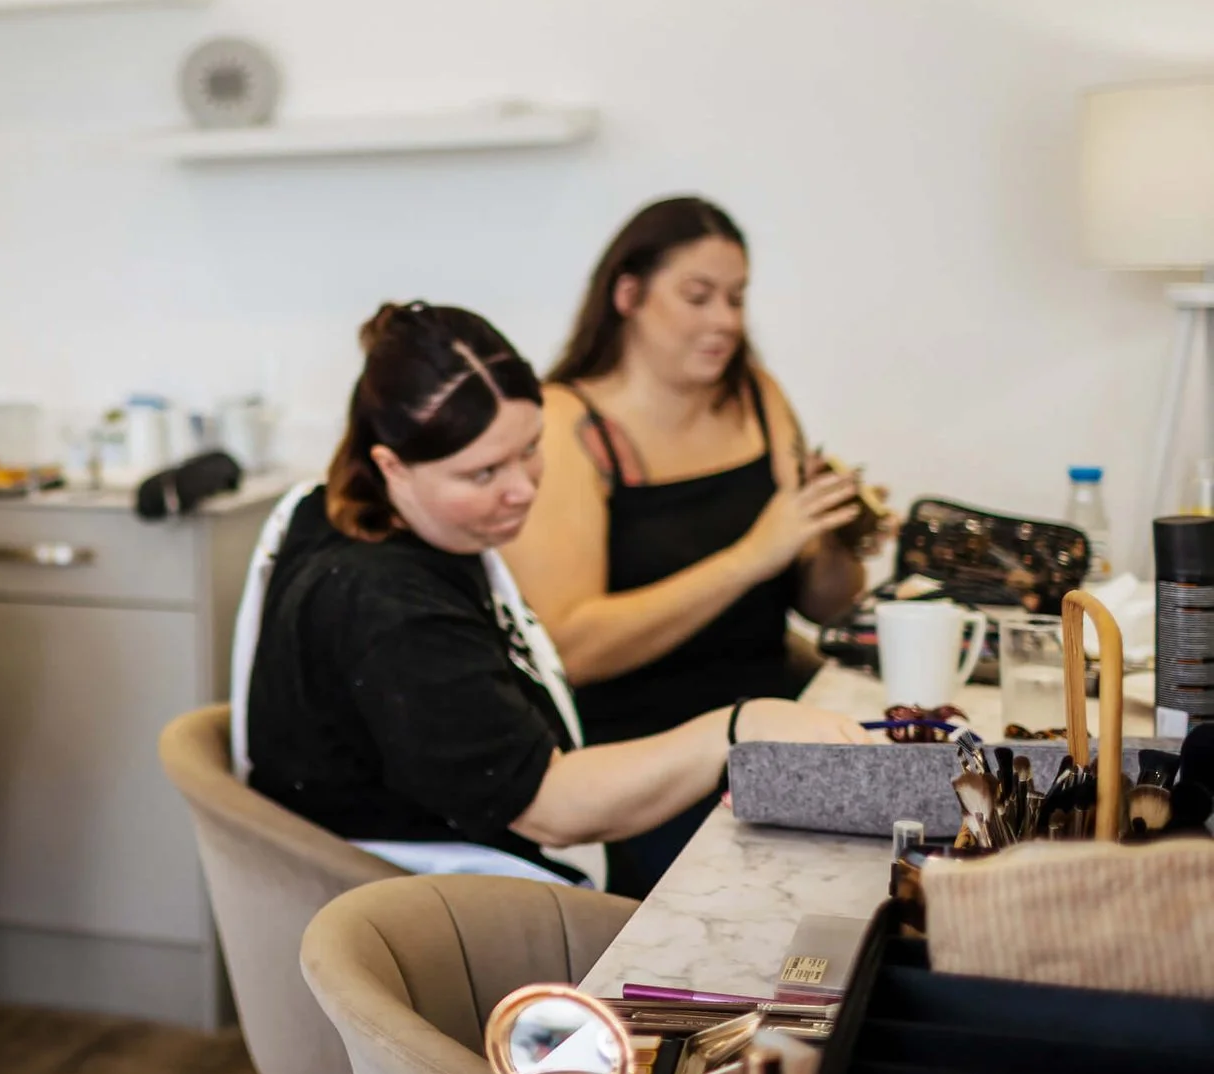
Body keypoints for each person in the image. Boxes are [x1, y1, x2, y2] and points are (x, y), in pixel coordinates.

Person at [243, 301, 869, 891]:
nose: (522, 489)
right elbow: (552, 808)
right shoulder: (389, 605)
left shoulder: (333, 506)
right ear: (392, 465)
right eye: (483, 473)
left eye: (530, 449)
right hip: (439, 908)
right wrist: (738, 727)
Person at [502, 198, 878, 895]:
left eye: (736, 298)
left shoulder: (757, 398)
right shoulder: (564, 424)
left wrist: (828, 535)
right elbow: (572, 646)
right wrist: (752, 555)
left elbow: (828, 605)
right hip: (649, 763)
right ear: (628, 295)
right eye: (697, 296)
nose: (727, 321)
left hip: (776, 720)